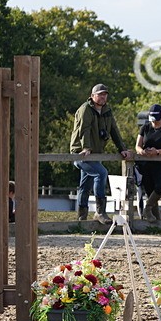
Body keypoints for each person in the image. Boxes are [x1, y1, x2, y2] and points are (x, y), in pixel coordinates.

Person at [69, 84, 129, 225]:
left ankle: (81, 218)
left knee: (85, 184)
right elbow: (84, 130)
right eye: (100, 94)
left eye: (105, 94)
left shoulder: (107, 111)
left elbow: (114, 130)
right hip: (81, 152)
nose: (103, 97)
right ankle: (100, 211)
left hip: (95, 154)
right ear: (92, 96)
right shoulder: (86, 109)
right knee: (101, 173)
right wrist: (86, 147)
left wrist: (122, 149)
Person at [135, 103, 161, 222]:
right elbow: (138, 145)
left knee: (160, 187)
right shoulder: (145, 128)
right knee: (149, 191)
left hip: (160, 163)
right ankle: (155, 222)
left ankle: (147, 208)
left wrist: (156, 152)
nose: (154, 121)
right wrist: (142, 151)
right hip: (146, 164)